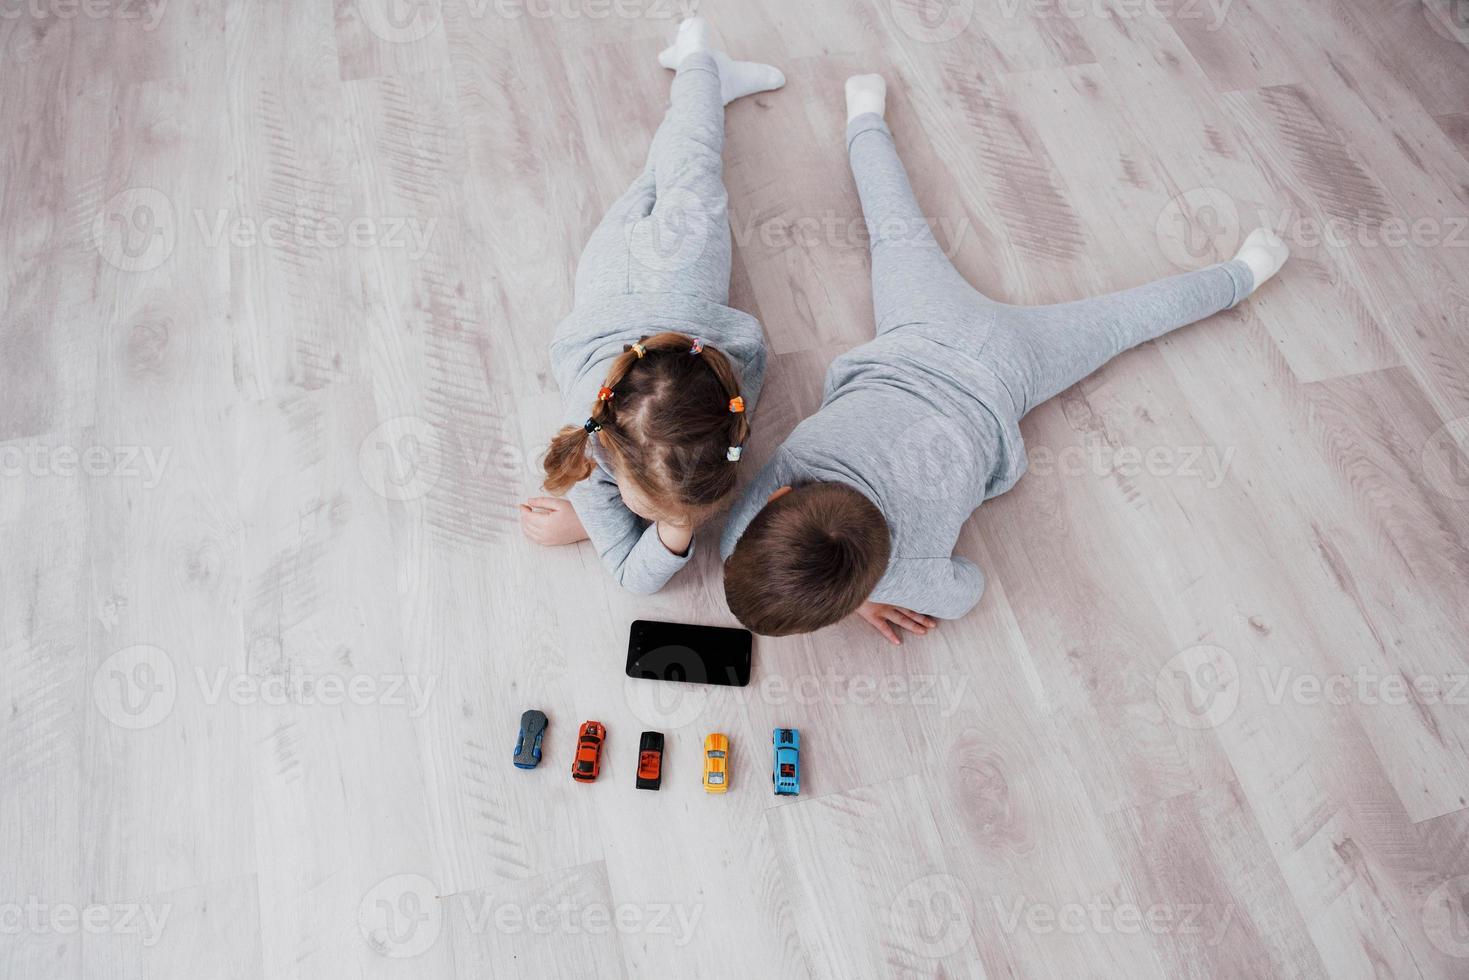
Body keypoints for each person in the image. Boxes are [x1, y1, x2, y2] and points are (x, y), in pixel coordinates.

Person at [720, 73, 1289, 643]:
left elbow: (967, 588)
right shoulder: (791, 468)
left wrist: (868, 590)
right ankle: (864, 117)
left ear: (860, 590)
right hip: (923, 329)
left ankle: (1242, 275)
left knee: (1123, 323)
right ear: (778, 495)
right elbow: (734, 543)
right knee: (895, 227)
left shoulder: (907, 573)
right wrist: (860, 585)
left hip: (1008, 373)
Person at [521, 18, 784, 594]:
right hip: (657, 268)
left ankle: (704, 74)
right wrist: (661, 526)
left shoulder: (596, 441)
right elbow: (634, 571)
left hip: (641, 269)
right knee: (682, 163)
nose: (666, 520)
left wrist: (653, 523)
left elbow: (630, 572)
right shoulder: (596, 452)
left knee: (672, 166)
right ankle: (701, 73)